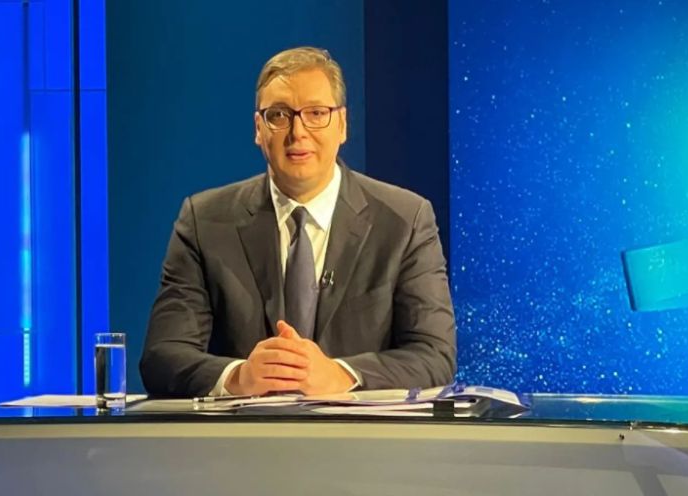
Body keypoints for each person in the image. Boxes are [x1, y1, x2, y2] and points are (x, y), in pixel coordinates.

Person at [140, 47, 456, 398]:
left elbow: (434, 355)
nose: (297, 132)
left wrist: (340, 374)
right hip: (245, 433)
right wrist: (238, 377)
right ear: (258, 129)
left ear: (342, 125)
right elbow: (163, 356)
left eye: (316, 113)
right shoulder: (204, 222)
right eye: (278, 115)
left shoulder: (405, 220)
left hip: (360, 432)